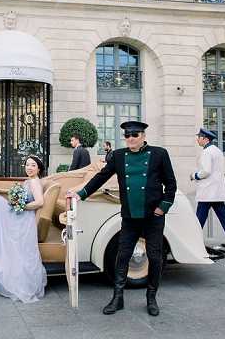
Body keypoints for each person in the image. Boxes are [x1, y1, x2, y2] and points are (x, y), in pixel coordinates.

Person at [66, 121, 176, 317]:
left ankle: (151, 298)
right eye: (127, 135)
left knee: (155, 257)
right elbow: (101, 177)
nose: (130, 139)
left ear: (143, 136)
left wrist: (163, 207)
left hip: (153, 216)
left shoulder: (159, 154)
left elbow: (171, 184)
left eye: (135, 135)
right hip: (129, 215)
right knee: (122, 256)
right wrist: (80, 194)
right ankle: (118, 298)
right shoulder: (118, 156)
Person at [0, 155, 48, 303]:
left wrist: (21, 206)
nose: (29, 168)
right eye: (27, 165)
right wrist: (15, 201)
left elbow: (39, 202)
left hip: (24, 217)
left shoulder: (35, 183)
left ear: (39, 168)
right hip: (21, 213)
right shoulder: (29, 181)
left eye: (33, 165)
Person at [191, 128, 225, 250]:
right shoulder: (217, 150)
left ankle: (192, 241)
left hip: (208, 191)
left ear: (205, 139)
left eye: (199, 137)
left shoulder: (207, 152)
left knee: (199, 218)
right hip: (216, 191)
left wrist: (194, 175)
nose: (197, 139)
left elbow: (206, 171)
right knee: (224, 217)